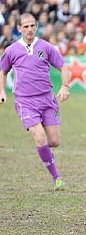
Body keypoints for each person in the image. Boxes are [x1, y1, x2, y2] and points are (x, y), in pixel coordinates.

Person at [0, 13, 69, 191]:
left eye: (33, 25)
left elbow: (63, 67)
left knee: (54, 142)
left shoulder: (46, 47)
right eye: (26, 26)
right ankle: (57, 178)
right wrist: (2, 91)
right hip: (25, 101)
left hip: (47, 99)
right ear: (19, 29)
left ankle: (44, 148)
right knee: (40, 137)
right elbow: (3, 71)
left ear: (36, 27)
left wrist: (65, 86)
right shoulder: (11, 50)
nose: (30, 29)